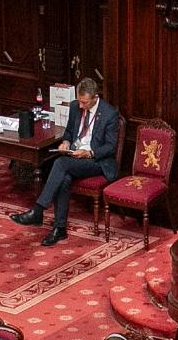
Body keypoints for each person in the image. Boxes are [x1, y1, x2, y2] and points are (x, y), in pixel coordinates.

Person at [12, 74, 116, 247]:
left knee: (60, 163)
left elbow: (110, 147)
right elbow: (69, 132)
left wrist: (88, 153)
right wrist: (66, 142)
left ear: (95, 98)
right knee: (64, 178)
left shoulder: (109, 113)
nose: (81, 106)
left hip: (97, 161)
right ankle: (59, 229)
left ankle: (38, 211)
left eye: (85, 103)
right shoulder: (75, 107)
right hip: (74, 156)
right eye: (79, 101)